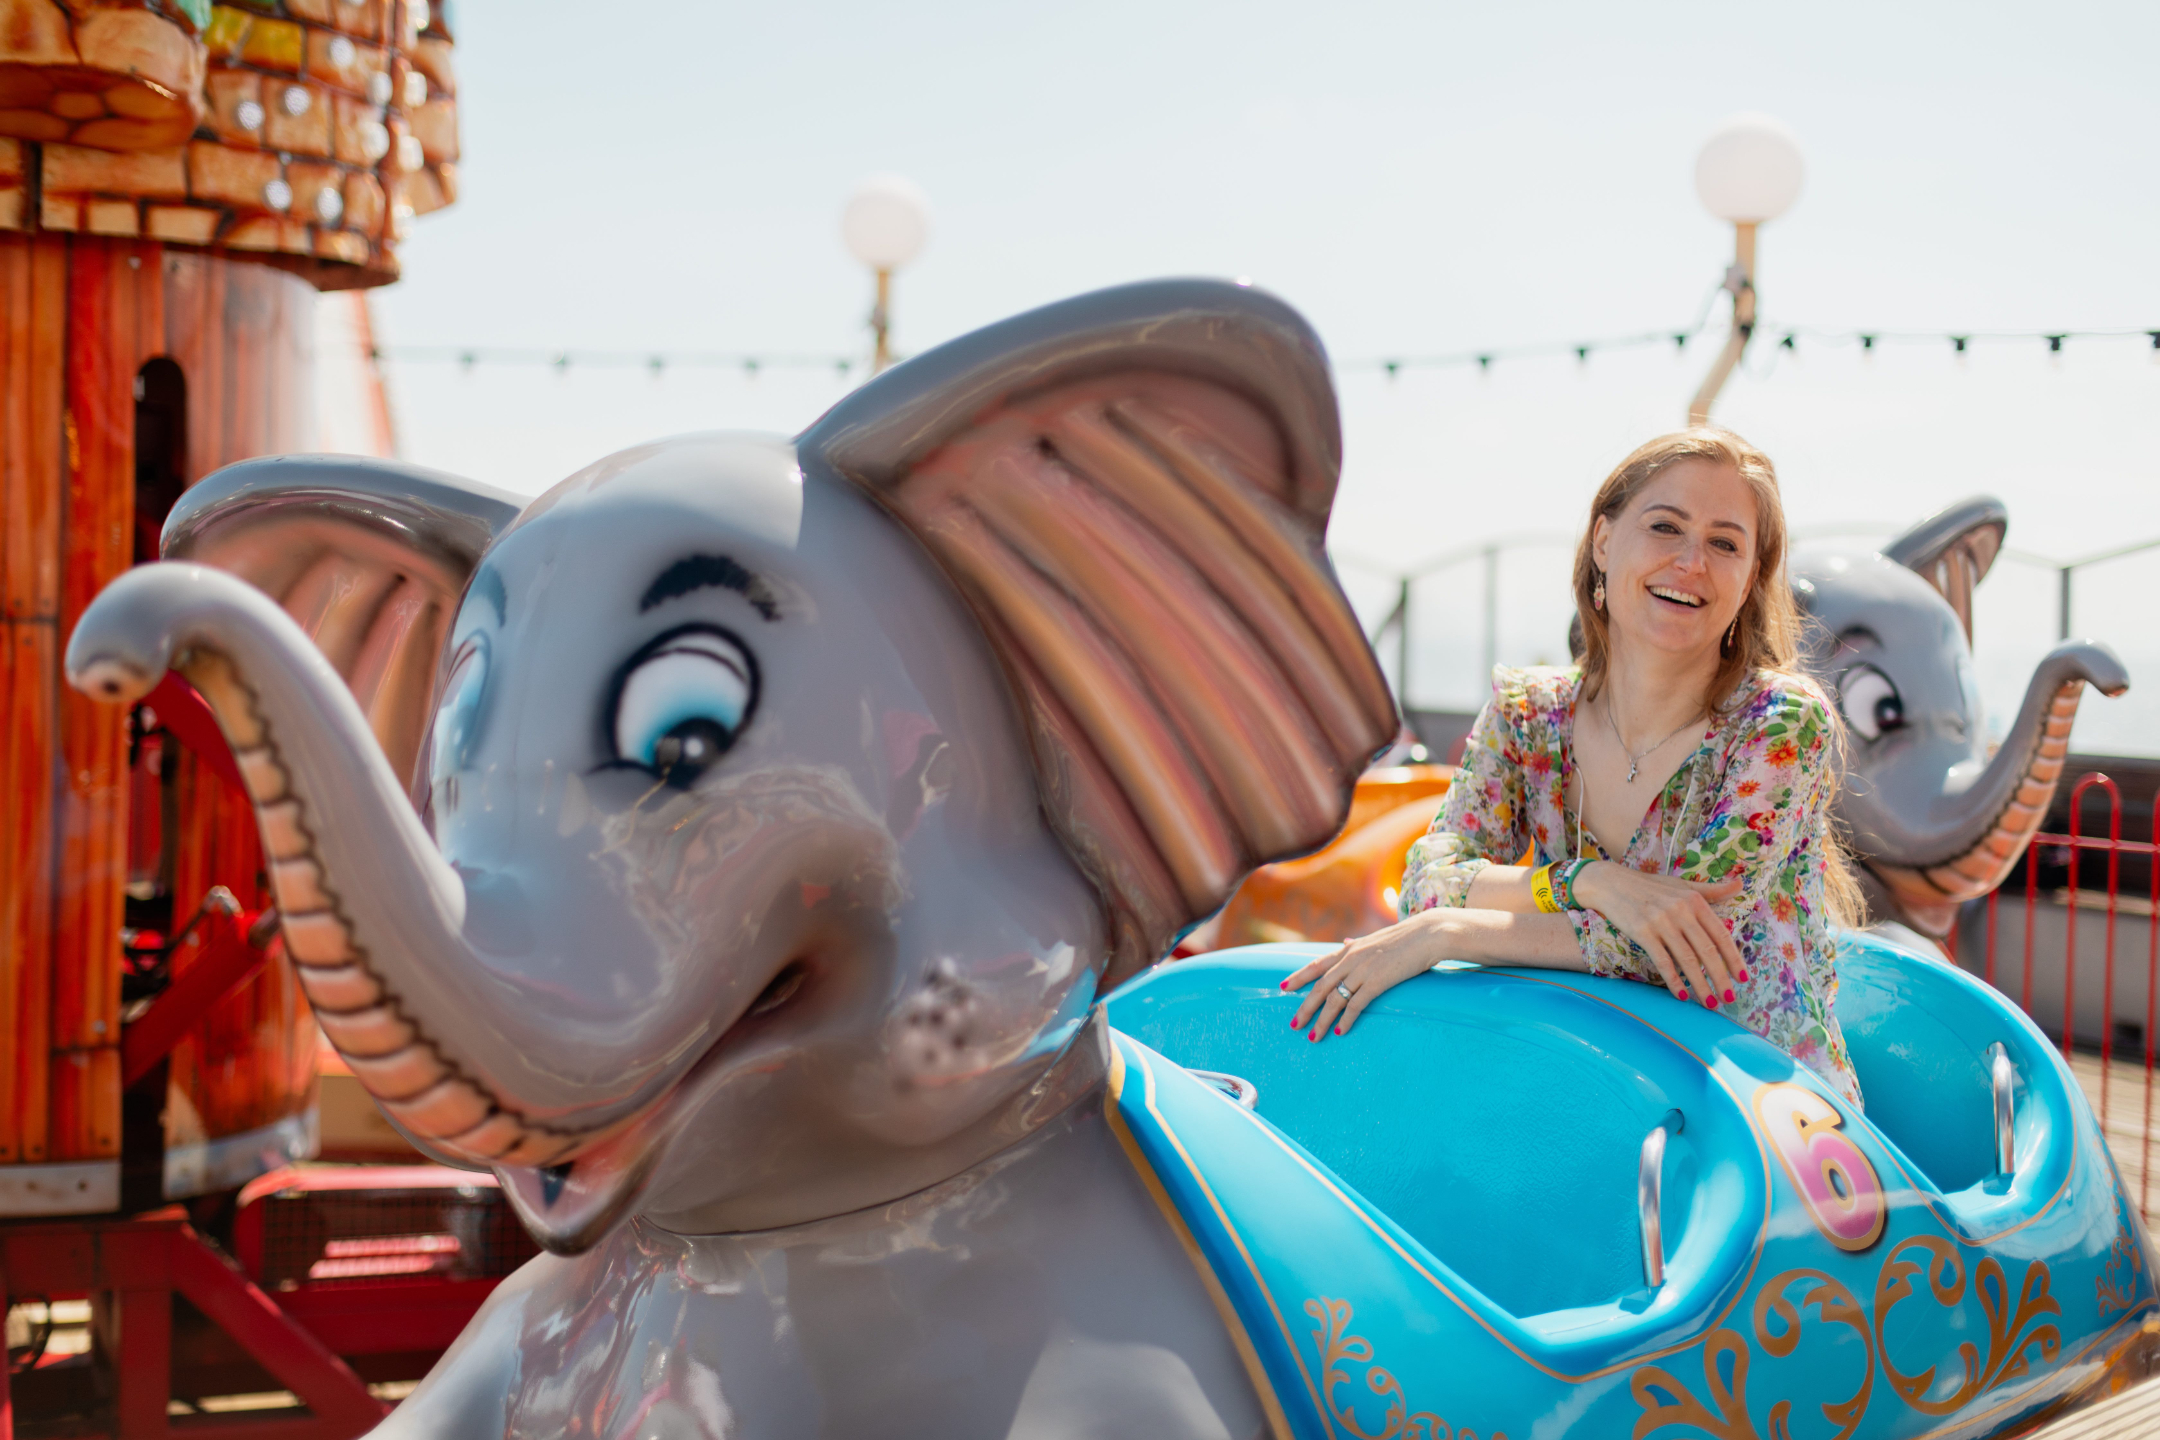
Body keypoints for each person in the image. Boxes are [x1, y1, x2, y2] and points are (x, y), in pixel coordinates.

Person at [1285, 428, 1864, 1106]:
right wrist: (1591, 882)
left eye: (1725, 544)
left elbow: (1678, 949)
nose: (1691, 562)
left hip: (1764, 1111)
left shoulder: (1781, 723)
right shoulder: (1528, 715)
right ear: (1603, 542)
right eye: (1665, 527)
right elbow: (1428, 882)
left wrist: (1450, 932)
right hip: (1590, 1084)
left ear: (1751, 580)